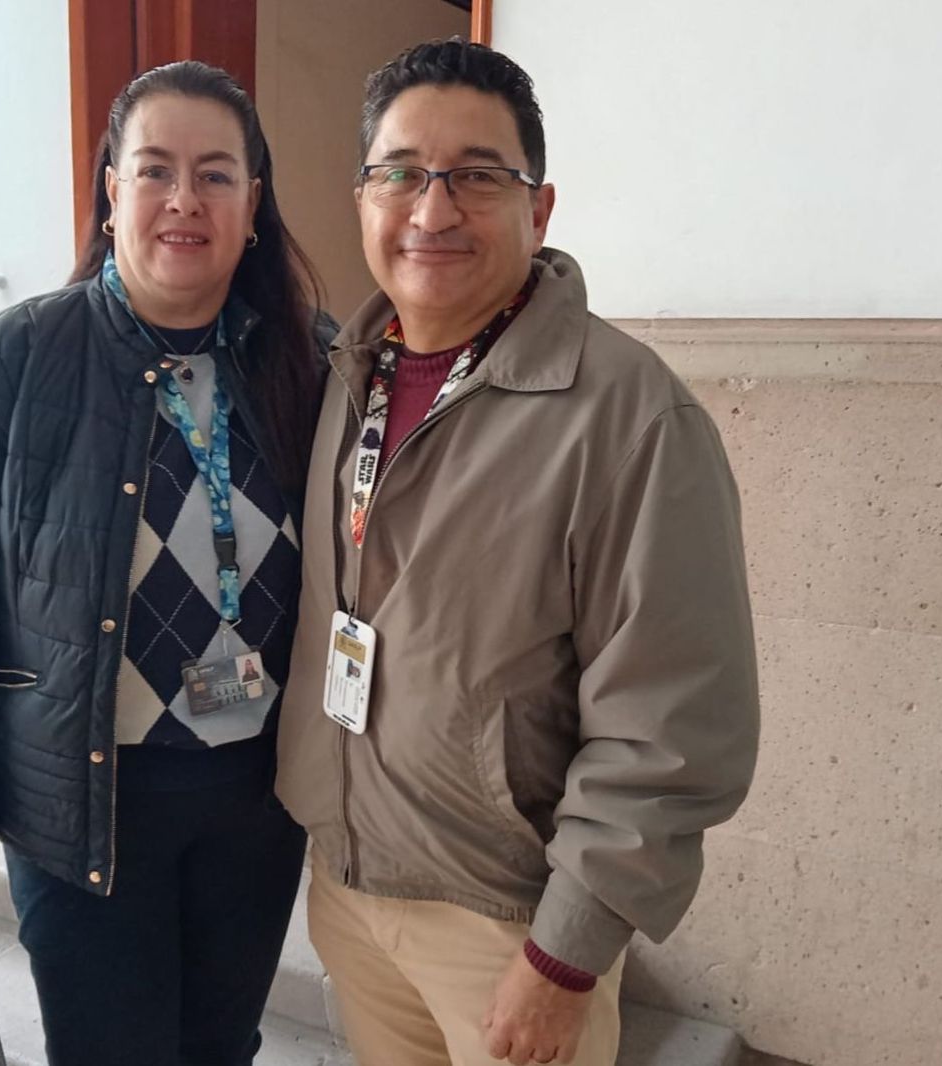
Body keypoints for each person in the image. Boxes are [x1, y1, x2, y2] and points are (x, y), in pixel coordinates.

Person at [276, 38, 761, 1066]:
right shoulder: (345, 374)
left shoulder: (629, 415)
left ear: (538, 210)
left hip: (507, 924)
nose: (433, 209)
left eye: (478, 176)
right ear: (362, 198)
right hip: (351, 890)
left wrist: (565, 954)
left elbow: (672, 721)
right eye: (402, 173)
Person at [0, 60, 331, 1066]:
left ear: (253, 205)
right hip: (86, 804)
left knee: (220, 1046)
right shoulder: (12, 361)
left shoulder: (308, 363)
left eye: (216, 175)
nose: (184, 199)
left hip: (255, 801)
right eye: (156, 169)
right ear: (111, 190)